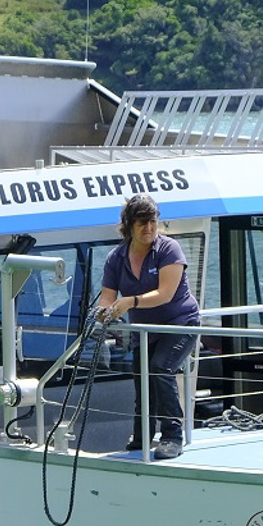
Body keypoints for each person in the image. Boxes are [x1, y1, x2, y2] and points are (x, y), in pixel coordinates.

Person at [95, 194, 201, 461]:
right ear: (129, 225)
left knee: (160, 367)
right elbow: (107, 294)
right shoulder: (116, 258)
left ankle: (172, 436)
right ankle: (142, 436)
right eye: (142, 223)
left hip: (181, 324)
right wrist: (102, 311)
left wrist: (131, 302)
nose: (149, 228)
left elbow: (165, 294)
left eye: (153, 222)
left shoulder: (169, 249)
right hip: (146, 330)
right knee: (142, 376)